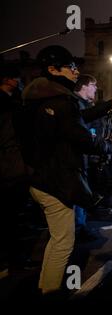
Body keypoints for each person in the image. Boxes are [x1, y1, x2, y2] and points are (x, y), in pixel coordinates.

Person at [21, 45, 112, 296]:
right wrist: (106, 146)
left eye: (75, 66)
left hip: (38, 177)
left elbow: (77, 118)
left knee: (56, 238)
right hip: (57, 180)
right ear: (53, 70)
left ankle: (45, 285)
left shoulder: (34, 100)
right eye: (70, 67)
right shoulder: (61, 102)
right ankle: (50, 291)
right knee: (63, 241)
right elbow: (81, 136)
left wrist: (106, 106)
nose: (75, 71)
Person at [73, 74, 112, 239]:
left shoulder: (84, 105)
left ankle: (81, 224)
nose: (96, 89)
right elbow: (85, 126)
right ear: (85, 86)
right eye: (93, 85)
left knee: (87, 187)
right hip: (79, 156)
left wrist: (109, 107)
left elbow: (92, 116)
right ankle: (78, 228)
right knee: (78, 191)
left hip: (86, 156)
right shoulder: (74, 104)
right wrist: (102, 146)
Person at [0, 64, 32, 278]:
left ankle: (15, 259)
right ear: (8, 79)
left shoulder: (15, 101)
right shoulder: (6, 106)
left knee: (15, 216)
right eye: (17, 79)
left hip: (14, 165)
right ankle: (11, 260)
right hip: (9, 166)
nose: (19, 82)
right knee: (9, 216)